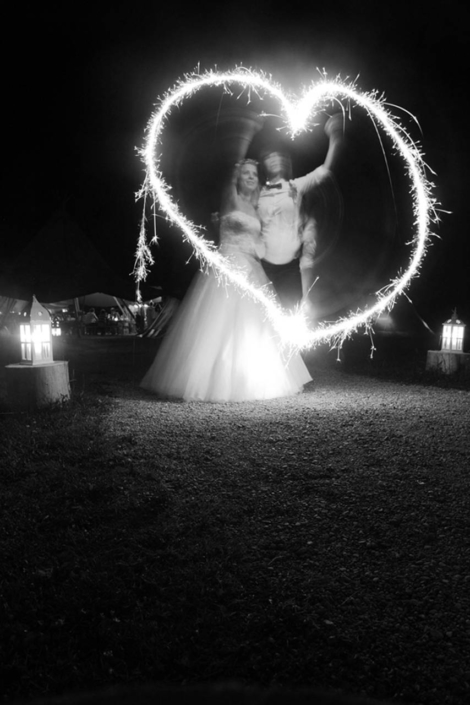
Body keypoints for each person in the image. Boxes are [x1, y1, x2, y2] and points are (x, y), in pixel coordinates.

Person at [140, 159, 311, 402]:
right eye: (246, 173)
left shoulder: (256, 207)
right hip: (228, 264)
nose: (251, 177)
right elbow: (230, 178)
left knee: (254, 324)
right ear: (237, 177)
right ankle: (212, 380)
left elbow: (264, 241)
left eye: (254, 173)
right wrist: (243, 133)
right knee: (217, 320)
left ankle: (254, 377)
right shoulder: (230, 198)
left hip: (252, 269)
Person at [255, 114, 344, 312]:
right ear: (264, 163)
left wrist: (335, 138)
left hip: (288, 268)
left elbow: (324, 172)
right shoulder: (258, 193)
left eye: (278, 155)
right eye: (270, 156)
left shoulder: (295, 186)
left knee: (290, 314)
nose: (275, 159)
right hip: (263, 266)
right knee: (261, 317)